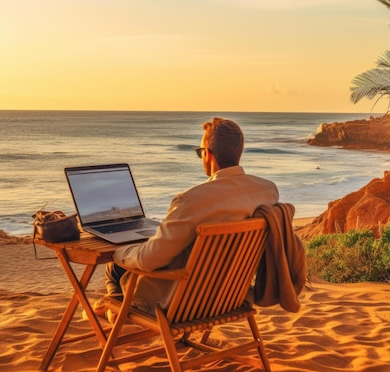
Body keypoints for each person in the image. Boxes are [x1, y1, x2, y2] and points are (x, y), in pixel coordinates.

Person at [103, 117, 280, 314]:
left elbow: (149, 260)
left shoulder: (192, 200)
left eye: (200, 152)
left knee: (115, 266)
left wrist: (120, 252)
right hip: (231, 296)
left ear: (208, 155)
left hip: (183, 304)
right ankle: (111, 308)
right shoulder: (267, 191)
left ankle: (115, 311)